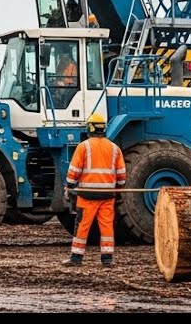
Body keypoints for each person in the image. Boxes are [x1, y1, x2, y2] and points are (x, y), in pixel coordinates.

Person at [62, 112, 126, 267]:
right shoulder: (115, 148)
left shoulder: (83, 147)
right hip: (107, 195)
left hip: (87, 195)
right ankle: (107, 258)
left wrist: (69, 186)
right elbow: (122, 177)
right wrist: (117, 188)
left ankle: (76, 258)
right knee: (106, 226)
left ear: (89, 128)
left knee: (83, 225)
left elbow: (74, 172)